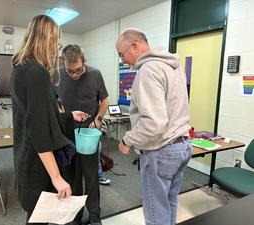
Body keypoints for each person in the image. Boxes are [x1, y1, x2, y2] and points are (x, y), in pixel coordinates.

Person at [10, 15, 88, 225]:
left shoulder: (20, 68)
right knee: (39, 216)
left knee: (36, 216)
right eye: (57, 40)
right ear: (48, 38)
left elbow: (36, 114)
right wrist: (56, 177)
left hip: (25, 154)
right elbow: (38, 127)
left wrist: (68, 116)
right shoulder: (36, 72)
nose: (57, 47)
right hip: (38, 160)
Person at [116, 28, 192, 225]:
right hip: (182, 145)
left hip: (161, 150)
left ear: (134, 46)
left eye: (121, 54)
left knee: (155, 211)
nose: (122, 60)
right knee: (169, 201)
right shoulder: (174, 66)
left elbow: (154, 123)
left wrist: (127, 140)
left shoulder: (148, 70)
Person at [56, 44, 109, 225]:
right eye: (70, 71)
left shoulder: (95, 74)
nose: (75, 74)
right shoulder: (57, 75)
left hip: (89, 134)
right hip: (67, 136)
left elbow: (104, 101)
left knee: (91, 177)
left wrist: (98, 120)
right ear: (63, 63)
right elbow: (54, 102)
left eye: (78, 70)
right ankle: (75, 216)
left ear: (84, 61)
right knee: (72, 178)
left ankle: (94, 216)